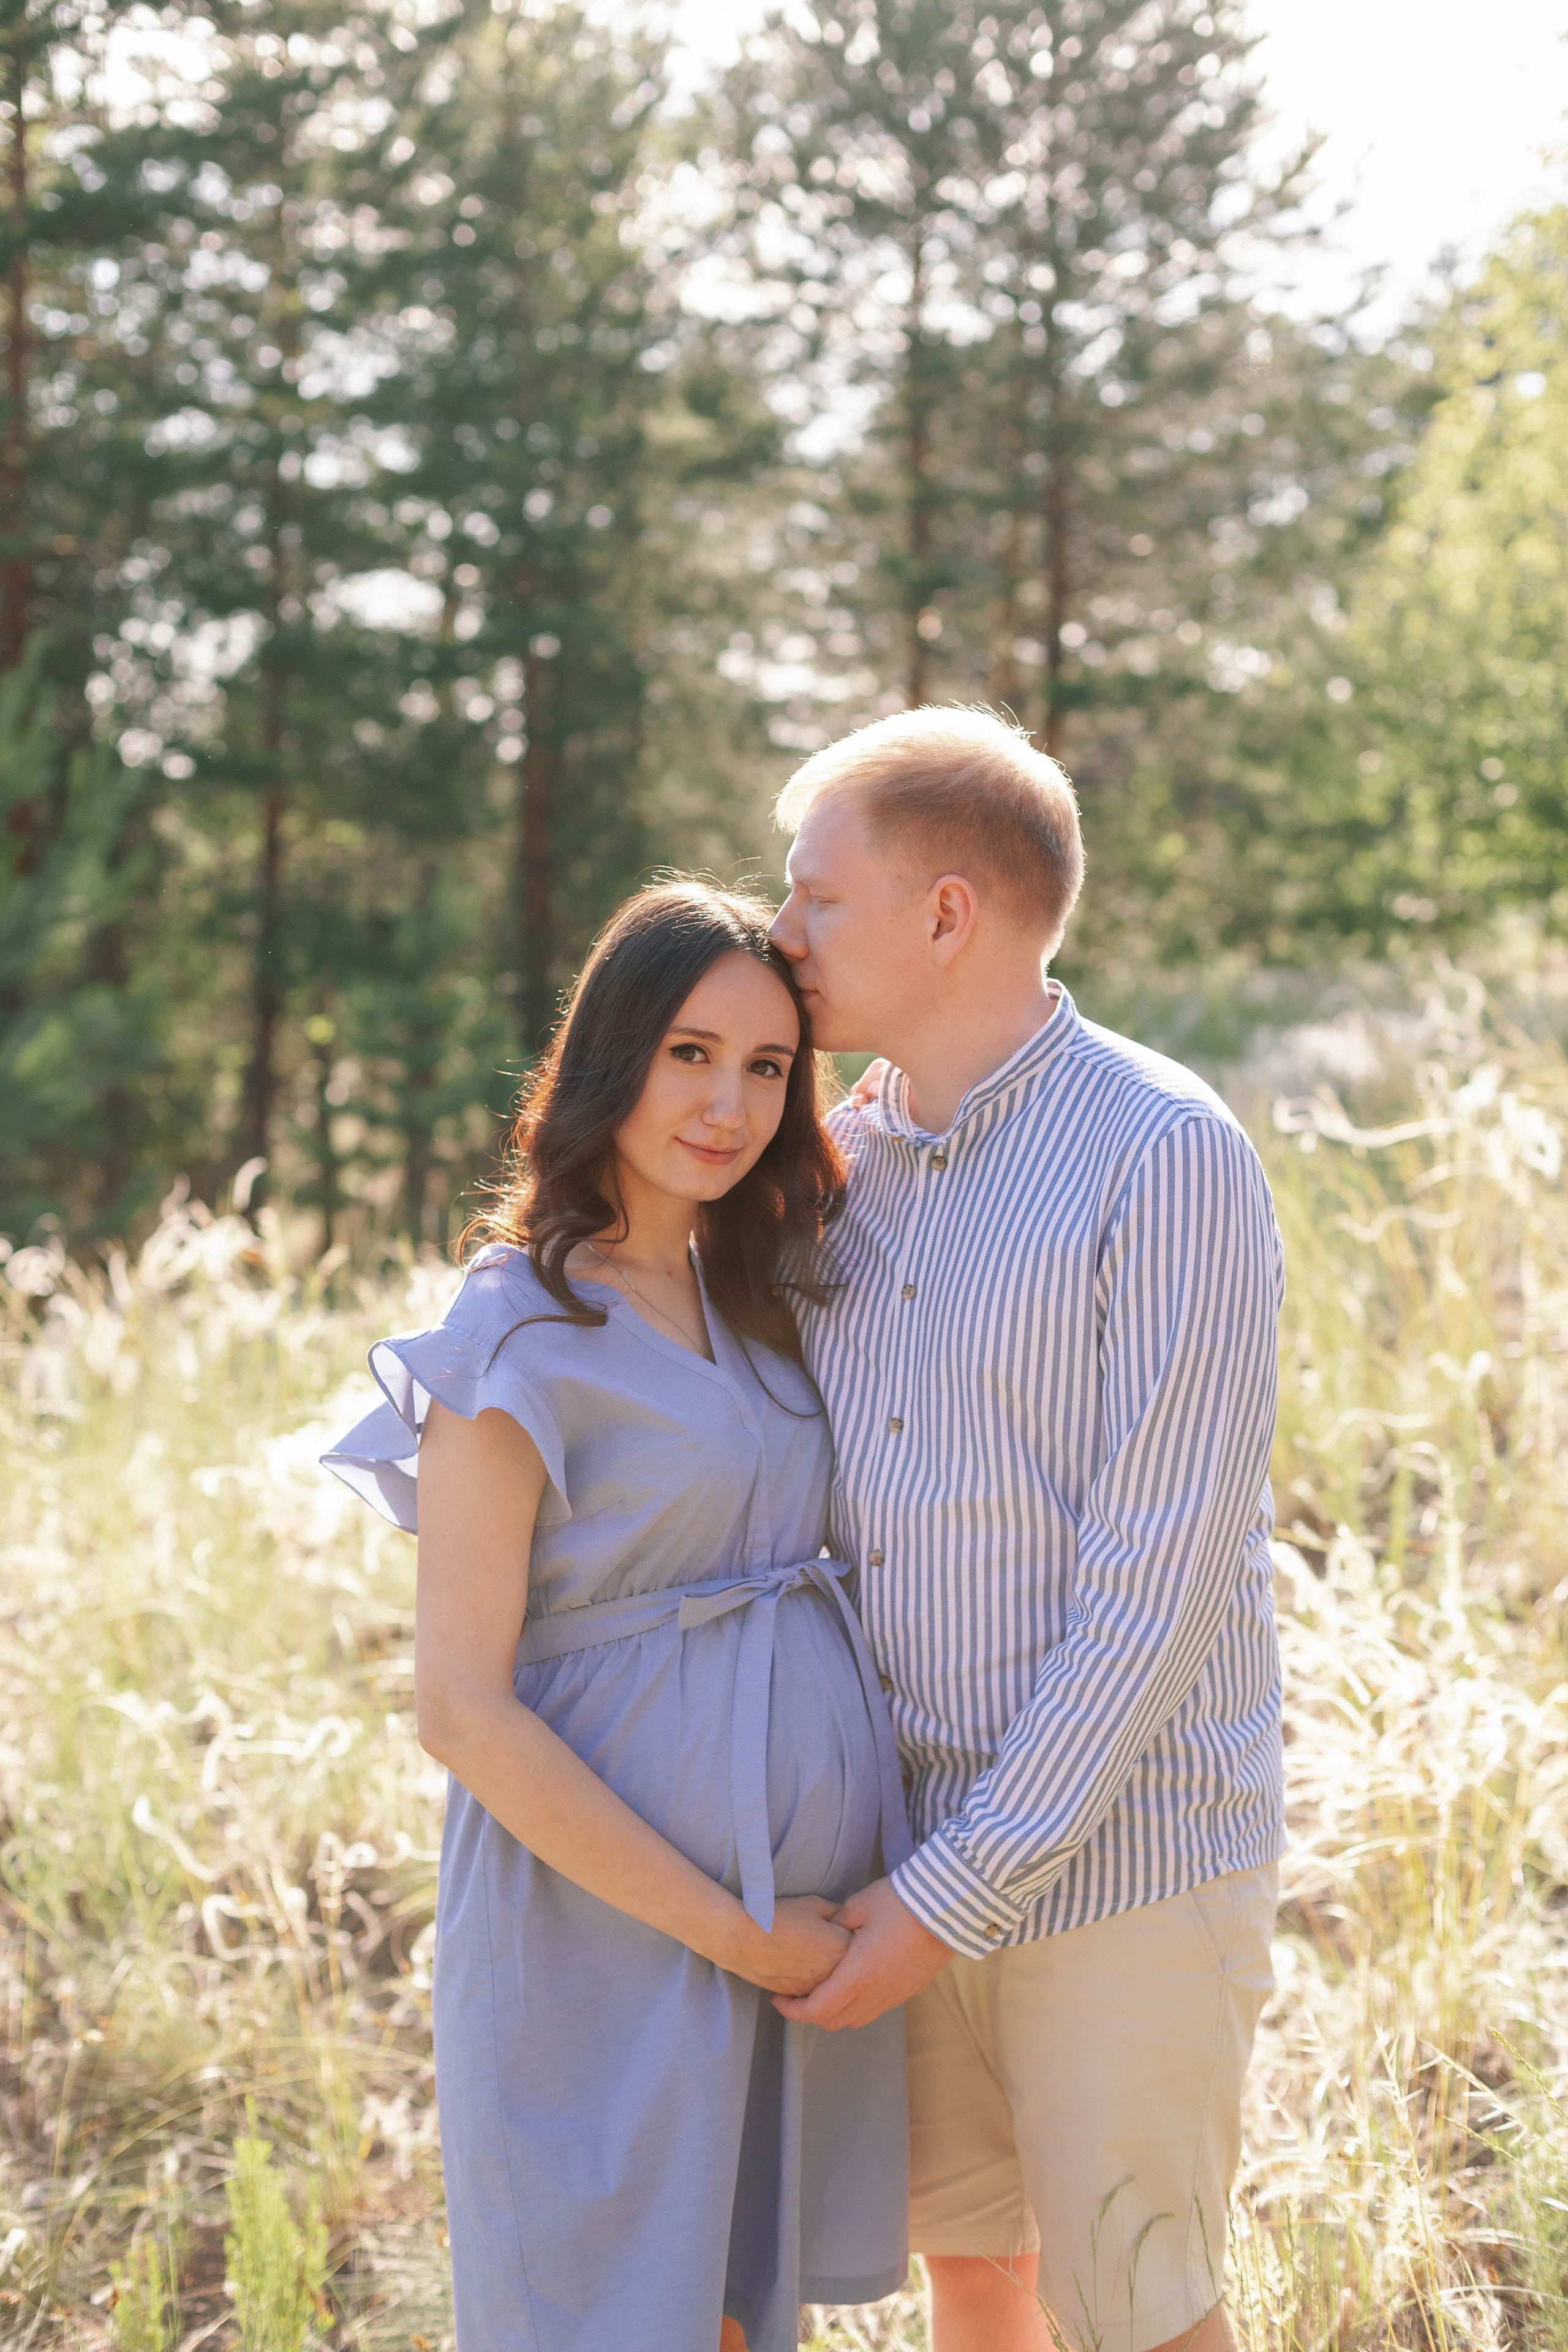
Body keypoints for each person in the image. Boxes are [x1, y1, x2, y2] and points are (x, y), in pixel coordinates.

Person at [321, 882, 911, 2352]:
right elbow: (458, 1708)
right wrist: (733, 1930)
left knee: (727, 2322)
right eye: (688, 1054)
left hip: (780, 1928)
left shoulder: (753, 1292)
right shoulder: (516, 1325)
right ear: (612, 1057)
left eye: (766, 1068)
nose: (726, 1103)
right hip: (606, 1930)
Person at [765, 706, 1286, 2352]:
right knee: (975, 2278)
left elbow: (1159, 1593)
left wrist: (954, 1895)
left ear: (945, 914)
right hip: (893, 1846)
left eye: (814, 897)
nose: (778, 935)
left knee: (1140, 2303)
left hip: (1123, 1866)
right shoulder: (832, 1167)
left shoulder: (1167, 1153)